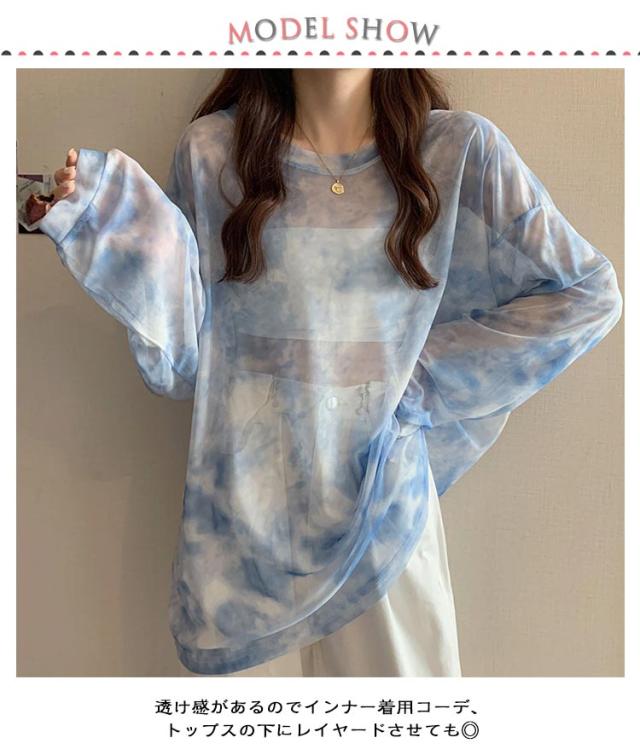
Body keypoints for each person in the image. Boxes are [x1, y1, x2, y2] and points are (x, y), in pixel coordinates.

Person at [24, 68, 623, 677]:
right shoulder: (213, 152)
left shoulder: (459, 151)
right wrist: (112, 221)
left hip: (380, 507)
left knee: (401, 719)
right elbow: (186, 366)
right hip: (241, 524)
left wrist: (409, 383)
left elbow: (586, 295)